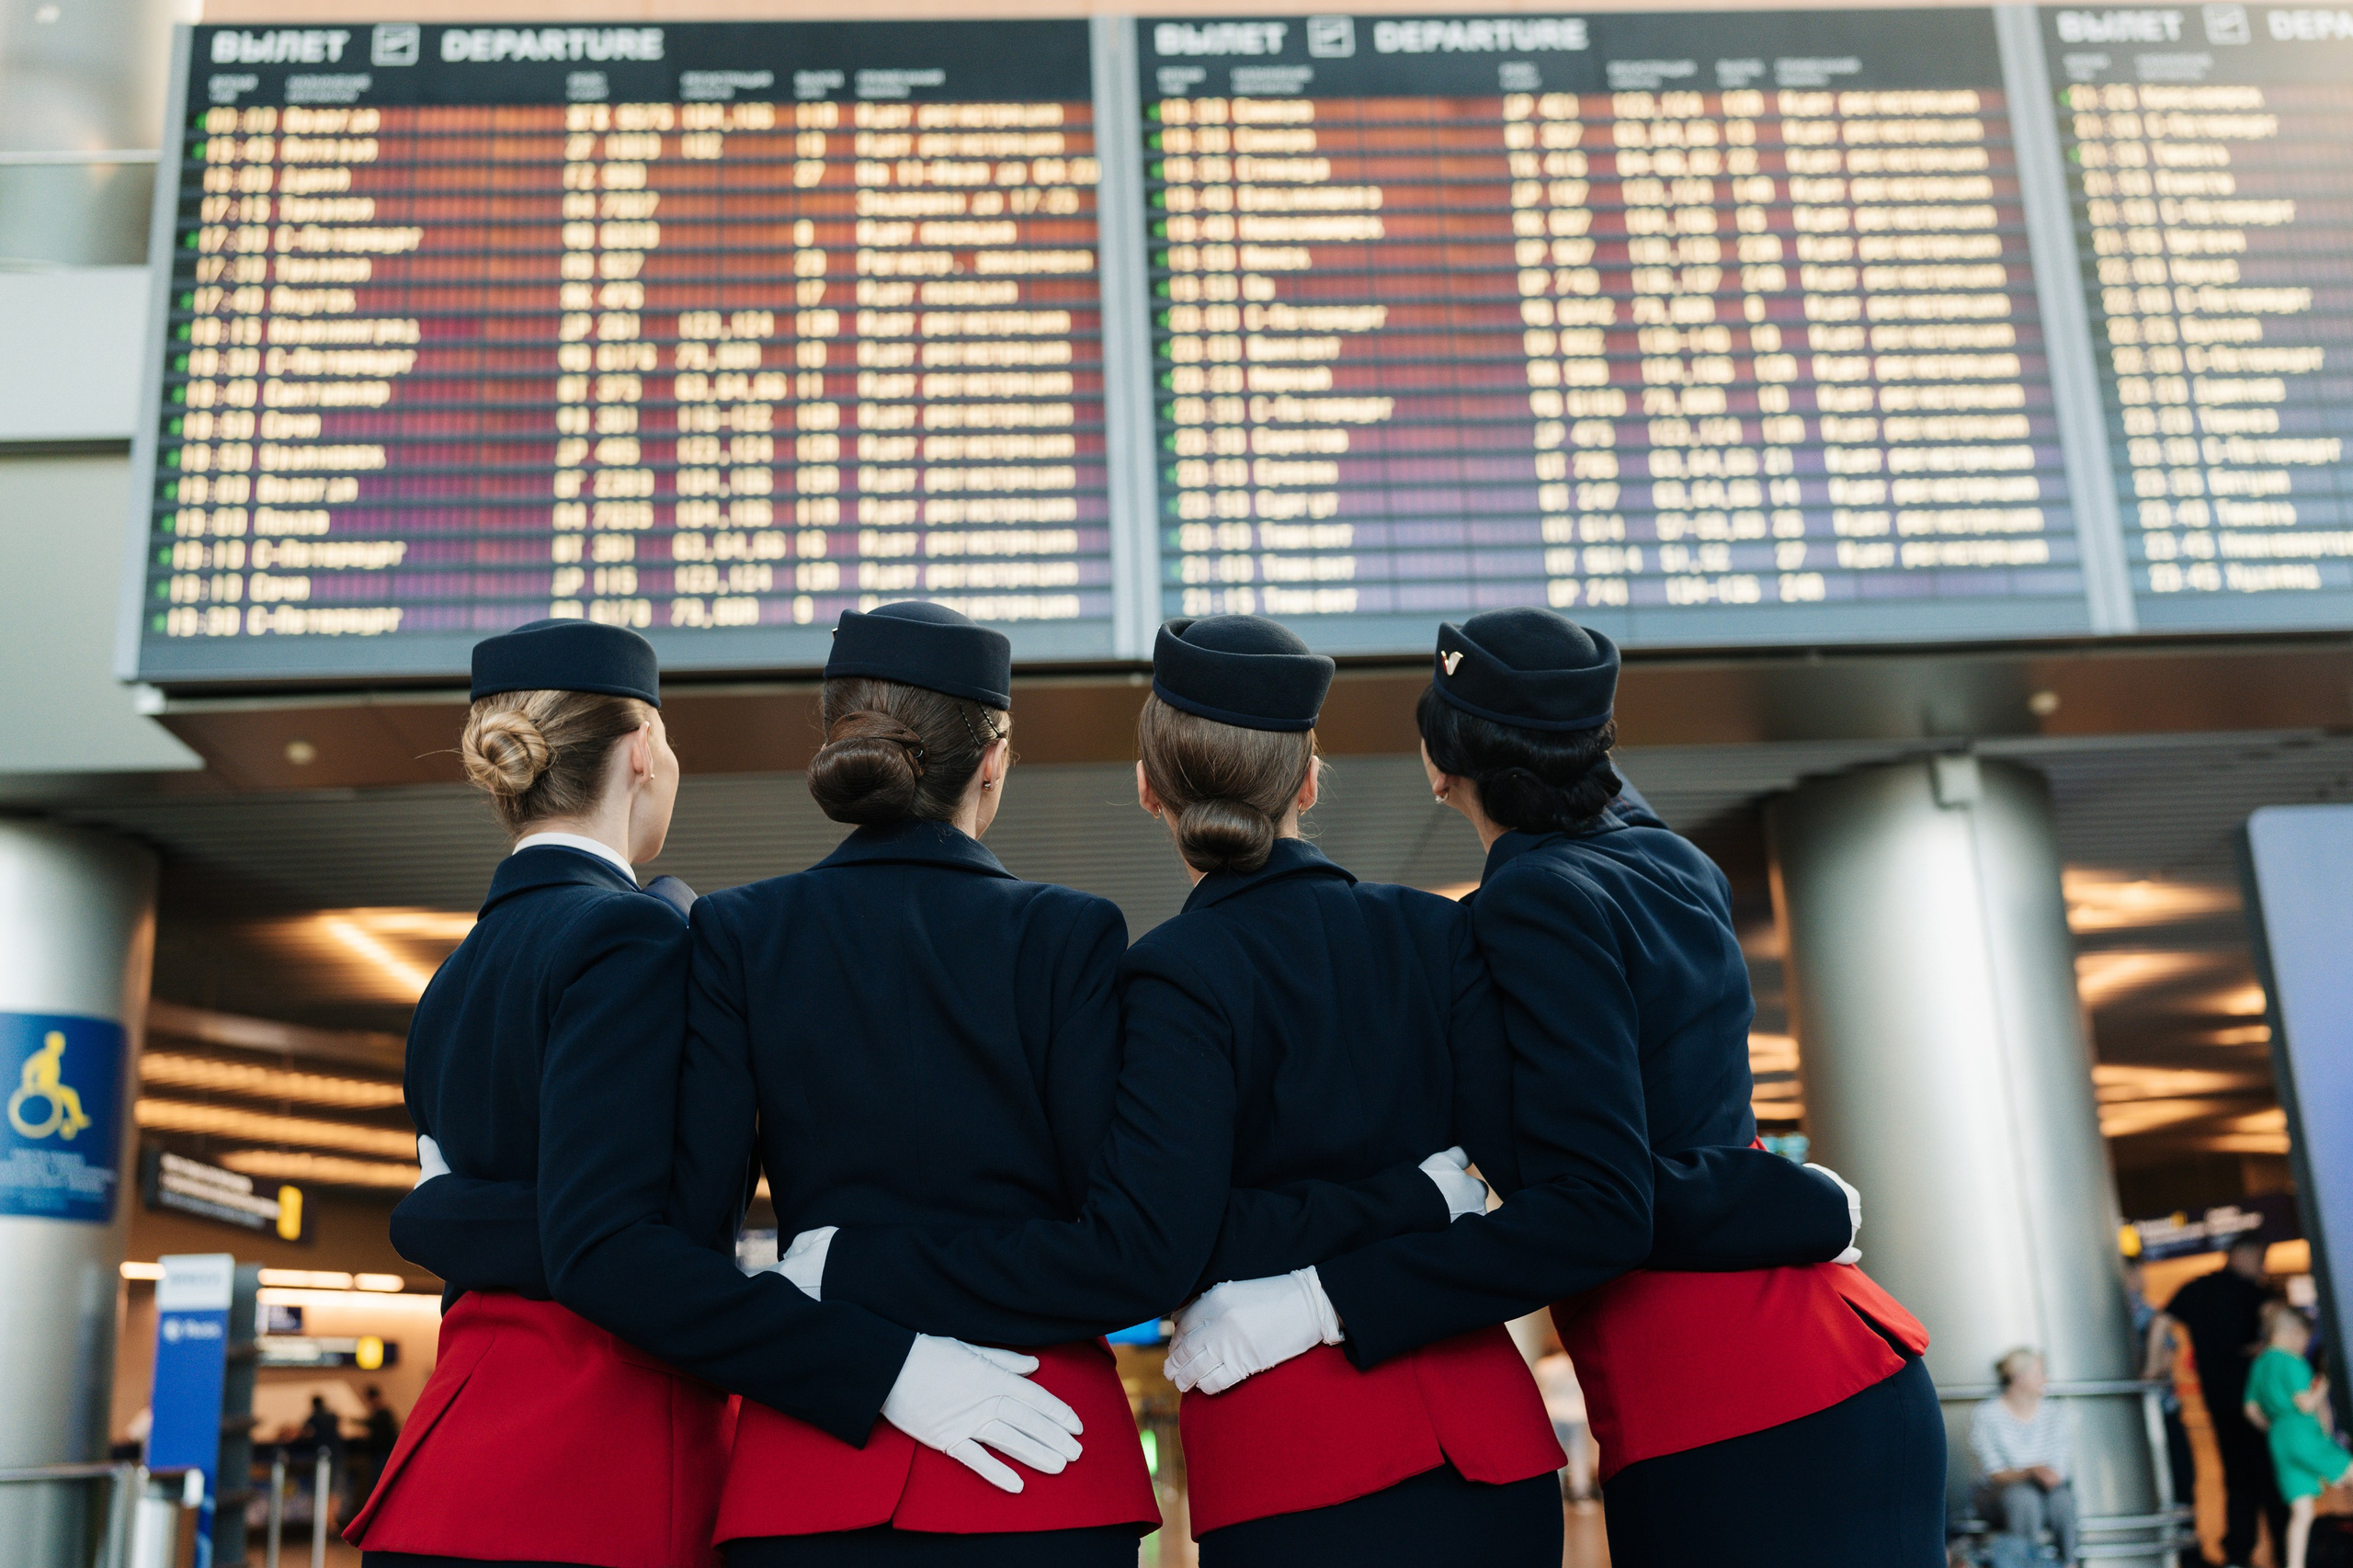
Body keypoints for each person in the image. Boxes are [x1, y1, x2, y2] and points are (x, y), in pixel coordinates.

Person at [793, 615, 1850, 1565]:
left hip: (1289, 1455)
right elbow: (1557, 1191)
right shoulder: (1441, 932)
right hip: (1487, 1445)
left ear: (1148, 786)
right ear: (1307, 780)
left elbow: (1166, 1237)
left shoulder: (1166, 974)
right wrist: (1425, 1195)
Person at [675, 604, 1483, 1566]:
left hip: (813, 1473)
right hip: (1046, 1464)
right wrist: (1420, 1197)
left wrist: (848, 1297)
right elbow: (1134, 1248)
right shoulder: (1069, 935)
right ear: (993, 760)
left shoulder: (735, 932)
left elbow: (683, 1250)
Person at [1159, 608, 1942, 1568]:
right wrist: (1791, 1194)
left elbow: (1598, 1200)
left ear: (1439, 762)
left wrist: (1324, 1299)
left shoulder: (1530, 900)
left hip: (1726, 1396)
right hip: (1843, 1349)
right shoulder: (1673, 861)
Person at [347, 618, 1083, 1568]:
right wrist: (881, 1365)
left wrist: (441, 1210)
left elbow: (562, 1218)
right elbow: (615, 1243)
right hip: (592, 1465)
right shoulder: (635, 938)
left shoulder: (453, 975)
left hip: (444, 1462)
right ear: (643, 748)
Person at [2170, 1236, 2290, 1566]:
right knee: (2270, 1479)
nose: (2262, 1266)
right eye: (2260, 1258)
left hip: (2220, 1402)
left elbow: (2162, 1320)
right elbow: (2279, 1333)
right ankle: (2286, 1552)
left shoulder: (2197, 1289)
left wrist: (2152, 1364)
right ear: (2242, 1254)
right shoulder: (2256, 1294)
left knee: (2237, 1478)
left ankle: (2238, 1552)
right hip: (2261, 1405)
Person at [2245, 1301, 2349, 1568]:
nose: (2304, 1345)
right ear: (2293, 1333)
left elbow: (2251, 1409)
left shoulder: (2260, 1363)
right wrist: (2323, 1385)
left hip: (2279, 1438)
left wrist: (2274, 1427)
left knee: (2301, 1513)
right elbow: (2305, 1403)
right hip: (2303, 1434)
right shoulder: (2292, 1362)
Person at [1972, 1347, 2079, 1566]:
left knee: (2062, 1499)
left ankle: (2070, 1563)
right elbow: (1994, 1472)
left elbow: (2059, 1467)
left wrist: (2042, 1474)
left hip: (2047, 1491)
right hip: (2001, 1494)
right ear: (2018, 1377)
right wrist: (2030, 1472)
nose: (2045, 1379)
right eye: (2039, 1373)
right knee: (2024, 1498)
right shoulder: (1987, 1414)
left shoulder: (2055, 1412)